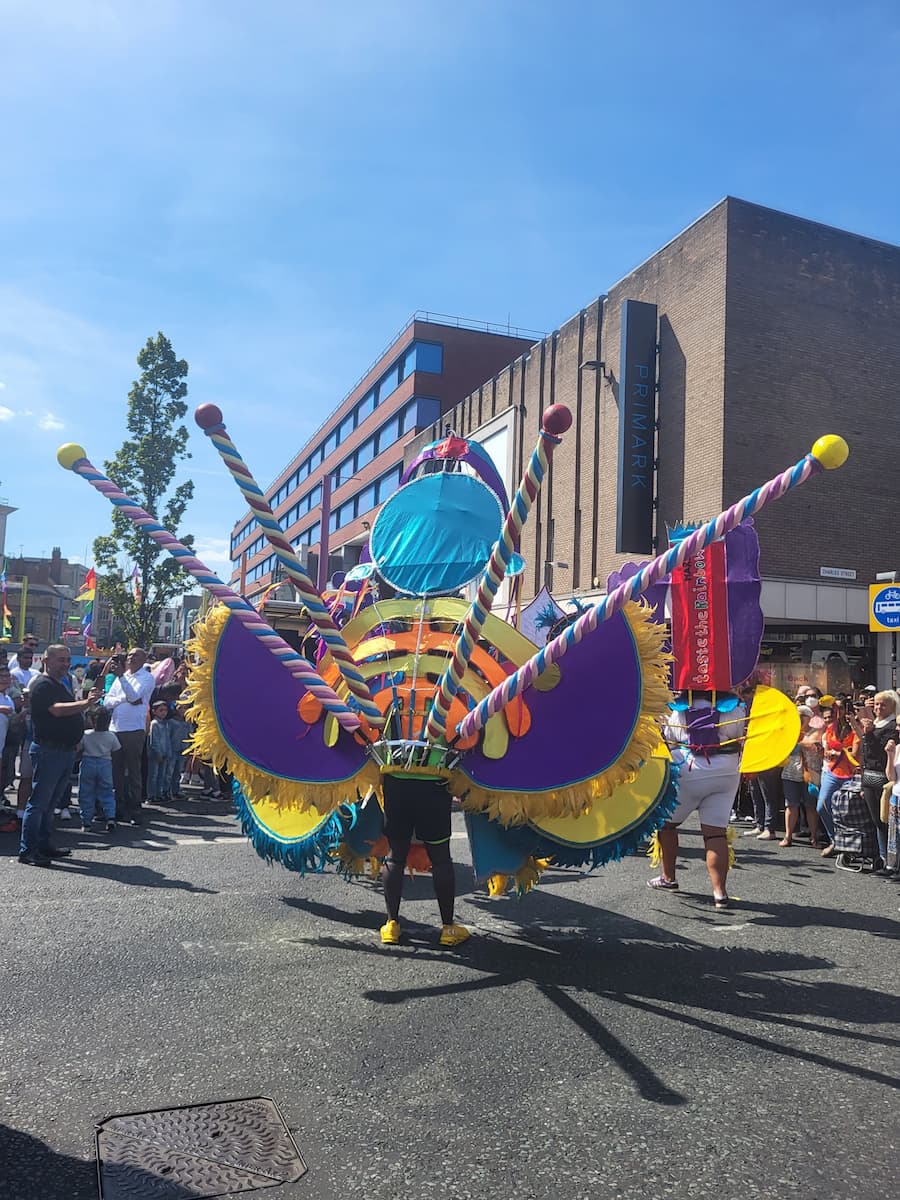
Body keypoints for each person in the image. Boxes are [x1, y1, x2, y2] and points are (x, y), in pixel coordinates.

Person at [649, 691, 747, 909]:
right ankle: (720, 893)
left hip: (690, 768)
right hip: (727, 771)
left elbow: (669, 738)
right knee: (715, 833)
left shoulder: (678, 709)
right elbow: (742, 735)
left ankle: (668, 877)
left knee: (666, 825)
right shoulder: (735, 708)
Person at [19, 644, 101, 866]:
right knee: (39, 802)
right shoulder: (42, 685)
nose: (65, 664)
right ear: (46, 661)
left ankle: (44, 845)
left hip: (63, 750)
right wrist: (85, 703)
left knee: (50, 803)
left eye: (67, 660)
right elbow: (57, 709)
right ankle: (28, 850)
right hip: (49, 750)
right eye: (60, 660)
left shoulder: (60, 684)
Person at [378, 772, 469, 946]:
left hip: (396, 781)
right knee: (440, 859)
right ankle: (448, 929)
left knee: (395, 857)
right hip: (434, 784)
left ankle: (391, 925)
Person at [103, 648, 156, 823]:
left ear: (144, 659)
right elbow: (107, 702)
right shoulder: (122, 678)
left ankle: (135, 808)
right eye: (130, 655)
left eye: (136, 655)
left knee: (133, 770)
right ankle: (118, 806)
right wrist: (123, 698)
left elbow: (134, 697)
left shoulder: (146, 678)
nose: (132, 658)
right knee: (115, 771)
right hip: (115, 728)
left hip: (133, 729)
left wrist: (123, 683)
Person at [847, 690, 898, 868]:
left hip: (883, 778)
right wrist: (856, 725)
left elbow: (879, 752)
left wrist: (868, 733)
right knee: (876, 821)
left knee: (883, 822)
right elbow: (865, 749)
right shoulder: (876, 723)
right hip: (868, 777)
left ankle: (888, 861)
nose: (878, 707)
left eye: (883, 704)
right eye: (876, 704)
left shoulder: (892, 727)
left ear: (892, 706)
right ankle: (882, 858)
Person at [817, 696, 857, 857]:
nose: (836, 711)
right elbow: (827, 749)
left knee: (848, 811)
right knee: (822, 806)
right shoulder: (830, 728)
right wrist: (824, 751)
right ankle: (836, 840)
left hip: (851, 773)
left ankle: (850, 844)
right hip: (832, 771)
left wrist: (839, 753)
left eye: (840, 708)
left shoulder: (855, 727)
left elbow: (856, 753)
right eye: (835, 708)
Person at [780, 705, 821, 847]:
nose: (800, 717)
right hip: (790, 772)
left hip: (811, 773)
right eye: (797, 715)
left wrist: (799, 740)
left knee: (811, 806)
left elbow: (812, 745)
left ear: (809, 717)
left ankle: (814, 837)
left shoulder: (816, 731)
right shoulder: (789, 731)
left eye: (803, 715)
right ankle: (788, 837)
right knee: (791, 805)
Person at [77, 706, 120, 832]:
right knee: (107, 791)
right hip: (105, 763)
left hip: (88, 762)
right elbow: (116, 750)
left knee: (86, 792)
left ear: (92, 720)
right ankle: (110, 817)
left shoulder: (86, 734)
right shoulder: (111, 736)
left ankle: (86, 821)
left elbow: (79, 749)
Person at [146, 700, 173, 803]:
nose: (163, 712)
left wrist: (168, 752)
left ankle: (159, 793)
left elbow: (168, 739)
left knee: (162, 775)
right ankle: (151, 795)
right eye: (161, 710)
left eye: (165, 710)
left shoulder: (166, 724)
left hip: (165, 753)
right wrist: (158, 752)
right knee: (153, 775)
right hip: (155, 755)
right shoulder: (154, 724)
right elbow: (154, 740)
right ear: (154, 711)